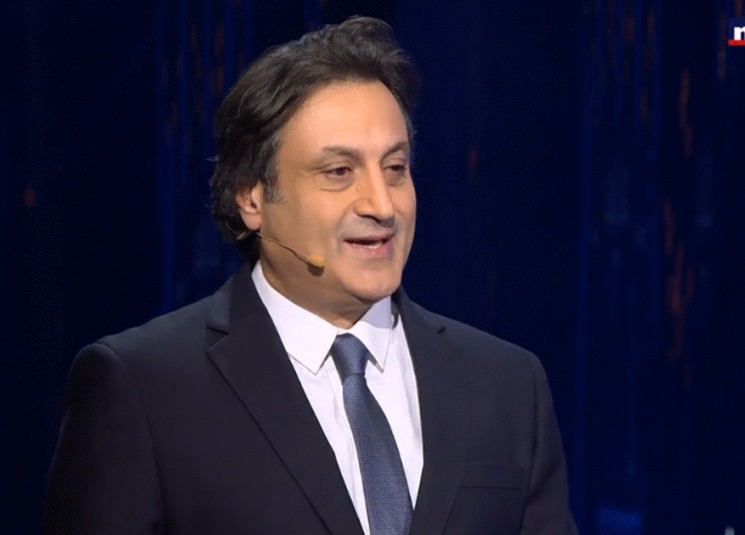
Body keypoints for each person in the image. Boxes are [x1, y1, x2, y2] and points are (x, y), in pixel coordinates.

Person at [45, 16, 578, 535]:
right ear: (252, 197)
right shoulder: (144, 388)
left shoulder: (507, 385)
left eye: (395, 168)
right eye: (339, 172)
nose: (381, 205)